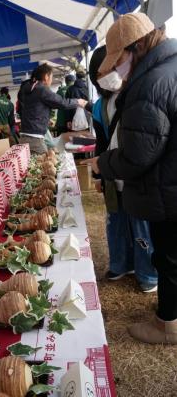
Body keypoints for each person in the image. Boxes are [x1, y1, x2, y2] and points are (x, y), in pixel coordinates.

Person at [83, 12, 177, 344]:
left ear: (135, 47)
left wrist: (101, 165)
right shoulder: (170, 66)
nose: (115, 69)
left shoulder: (150, 83)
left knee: (167, 254)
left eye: (117, 59)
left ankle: (167, 324)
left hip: (167, 189)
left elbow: (138, 154)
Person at [86, 45, 157, 293]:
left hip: (136, 175)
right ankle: (120, 263)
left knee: (140, 225)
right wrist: (97, 175)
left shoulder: (137, 91)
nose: (109, 74)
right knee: (115, 220)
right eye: (101, 72)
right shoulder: (98, 106)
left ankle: (148, 273)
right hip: (111, 172)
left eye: (112, 67)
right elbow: (101, 142)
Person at [19, 63, 79, 154]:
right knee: (44, 164)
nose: (51, 80)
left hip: (25, 135)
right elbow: (62, 103)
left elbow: (35, 109)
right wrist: (78, 102)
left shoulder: (30, 88)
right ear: (46, 76)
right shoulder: (41, 89)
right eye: (51, 76)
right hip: (35, 138)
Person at [65, 64, 88, 129]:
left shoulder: (70, 89)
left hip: (74, 119)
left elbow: (67, 105)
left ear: (76, 76)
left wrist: (68, 120)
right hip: (88, 119)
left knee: (76, 138)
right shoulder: (89, 88)